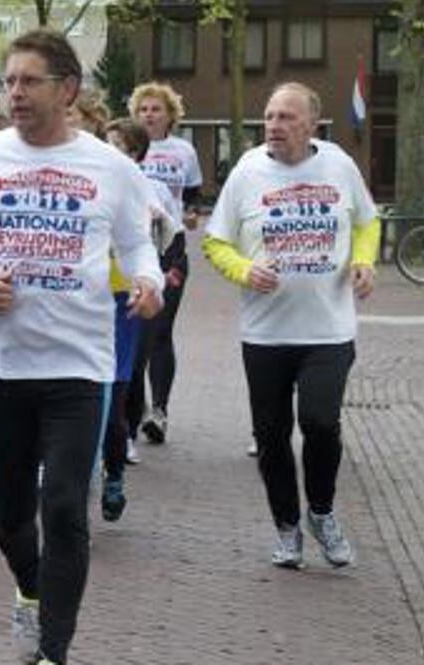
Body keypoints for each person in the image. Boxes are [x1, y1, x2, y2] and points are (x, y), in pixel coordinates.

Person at [0, 29, 162, 665]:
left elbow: (139, 245)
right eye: (9, 81)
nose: (15, 94)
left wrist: (148, 280)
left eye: (29, 81)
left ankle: (54, 649)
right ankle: (30, 589)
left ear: (69, 90)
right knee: (10, 520)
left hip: (78, 365)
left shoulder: (111, 167)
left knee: (64, 507)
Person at [203, 82, 377, 571]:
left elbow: (367, 221)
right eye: (269, 116)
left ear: (311, 124)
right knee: (272, 435)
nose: (273, 126)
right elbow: (216, 243)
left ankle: (320, 512)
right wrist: (243, 270)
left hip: (328, 328)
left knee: (320, 423)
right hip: (266, 334)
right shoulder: (247, 170)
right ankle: (286, 527)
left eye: (285, 117)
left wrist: (363, 261)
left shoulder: (339, 163)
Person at [99, 119, 181, 522]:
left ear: (134, 153)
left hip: (121, 302)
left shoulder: (143, 186)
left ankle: (114, 473)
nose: (105, 150)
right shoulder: (84, 178)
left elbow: (168, 233)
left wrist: (156, 278)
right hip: (76, 304)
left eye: (115, 144)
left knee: (112, 399)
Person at [126, 82, 201, 448]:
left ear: (170, 114)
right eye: (143, 109)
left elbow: (192, 194)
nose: (149, 115)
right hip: (133, 247)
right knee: (134, 334)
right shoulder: (122, 147)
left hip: (170, 249)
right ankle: (135, 407)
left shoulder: (184, 151)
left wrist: (190, 213)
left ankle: (160, 411)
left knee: (159, 330)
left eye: (156, 109)